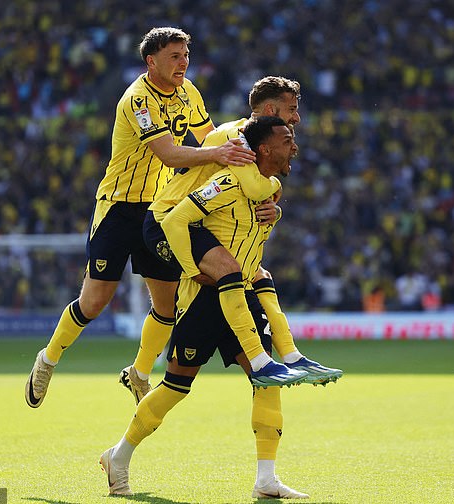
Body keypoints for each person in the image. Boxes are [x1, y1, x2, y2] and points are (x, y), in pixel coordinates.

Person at [24, 27, 257, 408]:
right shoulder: (137, 100)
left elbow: (210, 137)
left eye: (185, 55)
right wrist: (218, 156)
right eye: (174, 56)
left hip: (159, 210)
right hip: (118, 207)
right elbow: (169, 153)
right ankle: (48, 359)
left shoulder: (189, 92)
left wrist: (242, 162)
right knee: (95, 301)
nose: (183, 62)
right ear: (152, 61)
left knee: (167, 306)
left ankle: (139, 373)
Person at [100, 117, 310, 499]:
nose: (293, 143)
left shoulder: (264, 191)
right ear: (263, 146)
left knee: (266, 379)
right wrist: (191, 267)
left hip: (239, 294)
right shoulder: (227, 177)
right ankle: (119, 455)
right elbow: (178, 218)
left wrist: (273, 212)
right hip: (205, 298)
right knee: (176, 386)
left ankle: (266, 477)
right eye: (287, 136)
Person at [123, 76, 342, 402]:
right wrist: (274, 194)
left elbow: (258, 189)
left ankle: (291, 357)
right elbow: (256, 188)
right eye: (291, 110)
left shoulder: (261, 140)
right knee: (224, 277)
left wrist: (274, 206)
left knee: (256, 274)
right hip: (168, 220)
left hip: (201, 223)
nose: (296, 118)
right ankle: (258, 360)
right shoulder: (237, 137)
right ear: (270, 109)